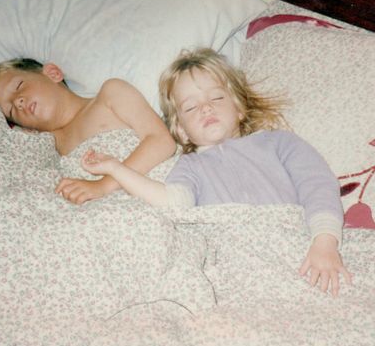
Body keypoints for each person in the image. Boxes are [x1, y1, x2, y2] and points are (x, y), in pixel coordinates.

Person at [81, 48, 352, 297]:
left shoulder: (279, 143)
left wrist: (325, 242)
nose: (206, 108)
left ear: (239, 108)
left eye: (216, 97)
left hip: (301, 252)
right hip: (236, 269)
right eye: (190, 107)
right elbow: (173, 202)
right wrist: (116, 168)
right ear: (181, 130)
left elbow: (318, 187)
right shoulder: (189, 166)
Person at [0, 58, 176, 204]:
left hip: (161, 193)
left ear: (52, 73)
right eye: (11, 110)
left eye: (19, 86)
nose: (18, 102)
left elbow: (162, 142)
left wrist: (103, 186)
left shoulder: (109, 95)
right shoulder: (48, 144)